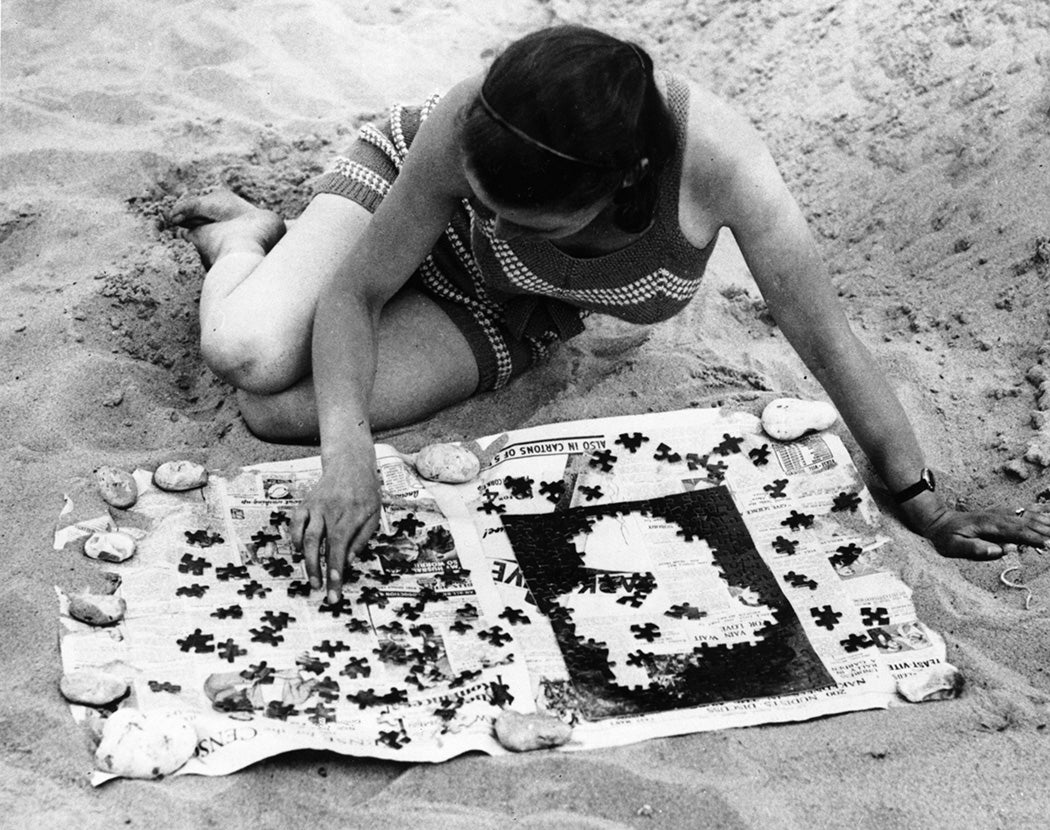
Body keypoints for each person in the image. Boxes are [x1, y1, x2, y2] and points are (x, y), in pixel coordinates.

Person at [170, 24, 1050, 603]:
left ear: (621, 185)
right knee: (246, 350)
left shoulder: (727, 167)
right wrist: (350, 457)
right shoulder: (474, 119)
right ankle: (246, 240)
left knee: (276, 411)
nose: (490, 220)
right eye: (484, 203)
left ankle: (278, 262)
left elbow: (822, 334)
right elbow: (357, 294)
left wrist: (920, 500)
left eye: (525, 219)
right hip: (390, 212)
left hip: (512, 303)